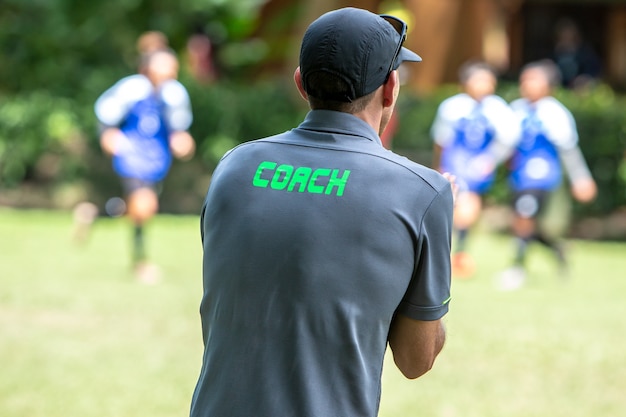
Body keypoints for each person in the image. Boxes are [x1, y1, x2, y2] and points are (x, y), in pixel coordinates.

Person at [189, 8, 453, 417]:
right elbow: (415, 360)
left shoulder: (234, 167)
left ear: (300, 83)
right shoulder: (420, 191)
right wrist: (431, 232)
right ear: (389, 88)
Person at [94, 47, 195, 282]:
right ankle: (141, 263)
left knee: (139, 208)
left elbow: (178, 127)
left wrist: (181, 139)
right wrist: (108, 134)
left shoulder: (175, 94)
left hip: (156, 158)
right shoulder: (131, 89)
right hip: (131, 153)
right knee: (144, 205)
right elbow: (106, 113)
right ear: (147, 68)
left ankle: (95, 213)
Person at [498, 59, 597, 291]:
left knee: (524, 214)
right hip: (519, 176)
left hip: (542, 176)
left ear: (548, 85)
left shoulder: (556, 113)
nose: (527, 84)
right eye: (525, 79)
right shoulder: (517, 110)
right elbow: (505, 145)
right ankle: (557, 249)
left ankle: (517, 268)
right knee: (525, 224)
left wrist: (581, 178)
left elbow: (568, 149)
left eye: (533, 80)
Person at [430, 60, 519, 278]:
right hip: (455, 162)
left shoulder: (497, 108)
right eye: (479, 80)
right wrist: (438, 166)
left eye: (488, 80)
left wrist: (491, 159)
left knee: (468, 210)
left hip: (478, 166)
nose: (484, 85)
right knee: (455, 209)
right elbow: (441, 140)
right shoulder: (452, 107)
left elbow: (509, 140)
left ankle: (457, 253)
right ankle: (451, 254)